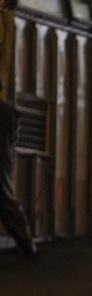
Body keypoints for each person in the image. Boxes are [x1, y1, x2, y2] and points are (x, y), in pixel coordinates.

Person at [0, 81, 36, 258]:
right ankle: (26, 244)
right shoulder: (9, 110)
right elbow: (15, 137)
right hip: (3, 161)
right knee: (7, 203)